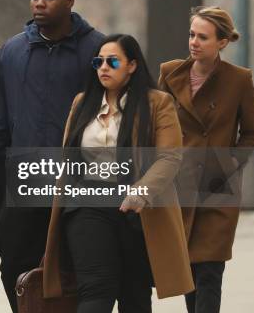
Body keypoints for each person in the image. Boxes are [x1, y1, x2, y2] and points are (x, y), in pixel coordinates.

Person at [0, 0, 104, 312]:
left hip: (77, 181)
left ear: (70, 1)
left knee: (75, 269)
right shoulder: (14, 50)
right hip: (25, 177)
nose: (39, 3)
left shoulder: (96, 49)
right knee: (14, 265)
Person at [42, 34, 194, 312]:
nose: (103, 67)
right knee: (96, 290)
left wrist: (141, 192)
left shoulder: (157, 103)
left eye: (112, 61)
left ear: (132, 65)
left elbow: (170, 156)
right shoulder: (82, 102)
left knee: (134, 294)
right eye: (98, 62)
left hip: (136, 210)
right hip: (86, 205)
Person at [158, 6, 254, 313]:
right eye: (191, 34)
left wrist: (229, 164)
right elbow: (157, 124)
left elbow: (252, 132)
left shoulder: (238, 80)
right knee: (189, 271)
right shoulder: (170, 72)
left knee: (210, 271)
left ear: (222, 42)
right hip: (180, 185)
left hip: (218, 188)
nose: (194, 42)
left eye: (203, 37)